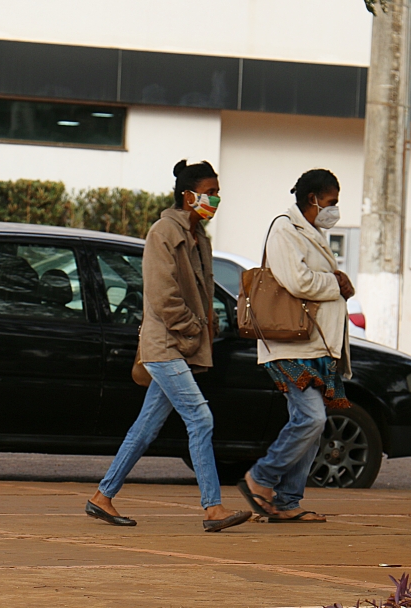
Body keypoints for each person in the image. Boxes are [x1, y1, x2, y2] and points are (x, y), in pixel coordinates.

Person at [87, 159, 251, 532]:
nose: (215, 199)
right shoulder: (163, 232)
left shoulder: (199, 238)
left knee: (146, 427)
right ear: (188, 195)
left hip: (181, 343)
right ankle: (212, 508)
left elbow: (201, 292)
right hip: (165, 344)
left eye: (217, 192)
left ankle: (102, 496)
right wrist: (195, 328)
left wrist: (208, 323)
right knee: (200, 417)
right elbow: (163, 296)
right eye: (210, 192)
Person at [236, 168, 353, 523]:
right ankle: (260, 479)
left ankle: (287, 501)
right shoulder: (285, 230)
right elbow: (297, 280)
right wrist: (336, 283)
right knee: (311, 418)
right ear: (312, 199)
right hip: (289, 347)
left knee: (311, 425)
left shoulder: (311, 231)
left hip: (317, 347)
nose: (334, 209)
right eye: (331, 202)